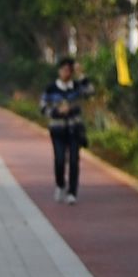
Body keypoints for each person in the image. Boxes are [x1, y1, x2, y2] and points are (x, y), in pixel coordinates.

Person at [39, 57, 94, 204]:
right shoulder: (51, 88)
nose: (66, 73)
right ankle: (60, 184)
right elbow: (43, 107)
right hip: (57, 130)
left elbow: (90, 92)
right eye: (63, 70)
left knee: (74, 161)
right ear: (59, 71)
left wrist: (81, 74)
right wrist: (57, 111)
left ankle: (72, 192)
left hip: (74, 129)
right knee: (60, 159)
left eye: (69, 70)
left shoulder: (76, 87)